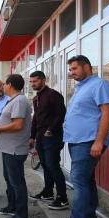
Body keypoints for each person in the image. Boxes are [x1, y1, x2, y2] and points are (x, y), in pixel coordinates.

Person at [57, 55, 109, 218]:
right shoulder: (81, 88)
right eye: (70, 70)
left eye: (74, 69)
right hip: (77, 140)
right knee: (87, 180)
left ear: (87, 67)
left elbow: (107, 112)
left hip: (89, 141)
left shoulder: (100, 85)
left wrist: (99, 141)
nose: (71, 73)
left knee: (79, 180)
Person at [0, 74, 33, 218]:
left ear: (10, 85)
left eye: (4, 84)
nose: (2, 87)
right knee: (10, 180)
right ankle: (12, 206)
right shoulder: (14, 100)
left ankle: (22, 215)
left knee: (17, 182)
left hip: (15, 148)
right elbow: (11, 121)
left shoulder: (19, 100)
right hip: (8, 148)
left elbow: (18, 125)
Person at [28, 70, 68, 210]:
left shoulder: (53, 95)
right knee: (45, 165)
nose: (33, 84)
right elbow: (35, 120)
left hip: (53, 137)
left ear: (44, 80)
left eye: (36, 81)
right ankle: (48, 192)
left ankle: (63, 198)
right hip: (40, 138)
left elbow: (61, 114)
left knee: (53, 166)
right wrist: (32, 137)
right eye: (31, 82)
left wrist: (50, 129)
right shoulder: (36, 98)